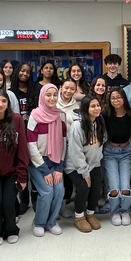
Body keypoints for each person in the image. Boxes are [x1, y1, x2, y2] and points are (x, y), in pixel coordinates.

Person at [0, 89, 29, 245]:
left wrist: (22, 175)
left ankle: (11, 230)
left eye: (4, 101)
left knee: (9, 202)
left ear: (8, 104)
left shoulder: (17, 120)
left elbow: (22, 148)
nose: (0, 104)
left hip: (12, 171)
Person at [26, 84, 67, 237]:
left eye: (54, 95)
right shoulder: (35, 115)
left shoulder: (60, 115)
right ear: (42, 96)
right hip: (38, 163)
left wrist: (58, 168)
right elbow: (31, 145)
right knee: (47, 191)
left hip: (56, 161)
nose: (51, 98)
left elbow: (63, 142)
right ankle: (39, 223)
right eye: (48, 95)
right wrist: (44, 169)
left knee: (60, 189)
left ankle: (51, 222)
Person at [66, 96, 106, 233]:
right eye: (93, 106)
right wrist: (85, 172)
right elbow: (75, 152)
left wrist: (94, 166)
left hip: (93, 163)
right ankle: (79, 217)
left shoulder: (100, 122)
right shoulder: (77, 126)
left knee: (96, 188)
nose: (97, 108)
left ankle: (90, 213)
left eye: (98, 105)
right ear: (85, 109)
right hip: (75, 165)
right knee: (83, 188)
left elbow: (101, 143)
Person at [103, 88, 131, 226]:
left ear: (124, 98)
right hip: (110, 152)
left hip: (126, 152)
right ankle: (115, 211)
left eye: (118, 97)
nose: (116, 100)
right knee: (114, 186)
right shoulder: (106, 115)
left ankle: (125, 210)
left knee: (124, 185)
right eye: (113, 98)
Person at [9, 62, 38, 214]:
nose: (24, 74)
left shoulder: (34, 89)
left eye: (27, 72)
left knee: (33, 167)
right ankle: (24, 199)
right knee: (21, 167)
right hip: (17, 134)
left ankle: (35, 198)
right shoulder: (10, 92)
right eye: (22, 71)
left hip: (33, 133)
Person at [56, 78, 80, 219]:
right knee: (57, 178)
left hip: (71, 147)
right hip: (56, 147)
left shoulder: (77, 107)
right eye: (66, 88)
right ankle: (56, 207)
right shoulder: (53, 104)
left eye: (72, 89)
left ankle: (63, 206)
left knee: (69, 178)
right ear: (61, 88)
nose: (68, 91)